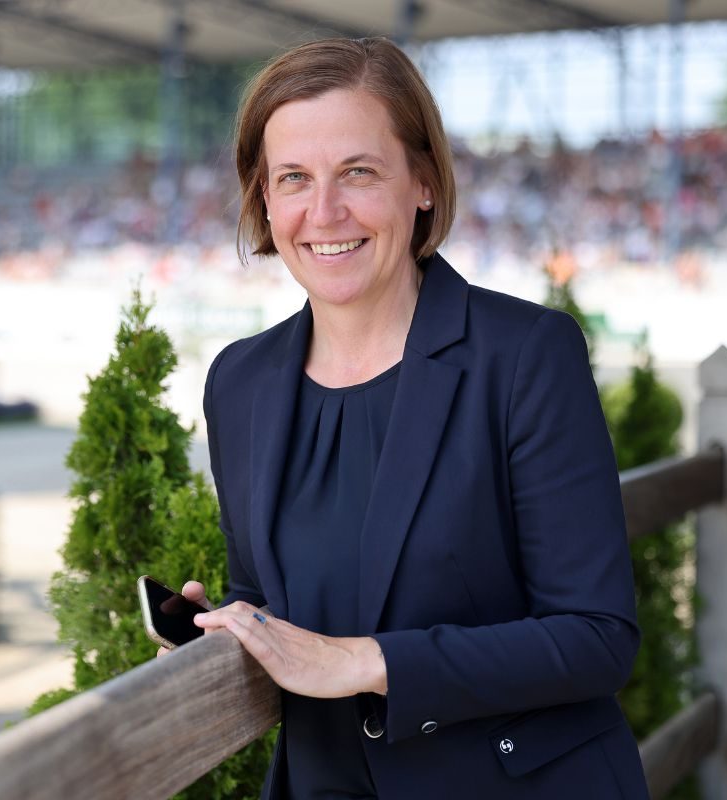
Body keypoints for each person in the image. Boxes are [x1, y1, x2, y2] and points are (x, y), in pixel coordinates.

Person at [166, 38, 648, 800]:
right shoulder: (240, 380)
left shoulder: (525, 356)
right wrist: (227, 634)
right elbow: (267, 594)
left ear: (422, 183)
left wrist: (367, 662)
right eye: (294, 178)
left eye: (358, 172)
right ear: (263, 197)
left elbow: (597, 637)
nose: (324, 213)